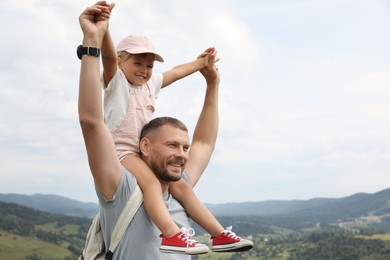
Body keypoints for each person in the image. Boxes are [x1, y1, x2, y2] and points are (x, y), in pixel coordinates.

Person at [78, 1, 253, 259]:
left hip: (138, 157)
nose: (145, 71)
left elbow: (177, 75)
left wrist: (203, 66)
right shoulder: (116, 83)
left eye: (149, 66)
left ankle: (218, 234)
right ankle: (171, 233)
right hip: (122, 153)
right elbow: (93, 113)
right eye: (138, 63)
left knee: (183, 187)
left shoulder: (150, 86)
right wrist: (100, 33)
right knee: (149, 183)